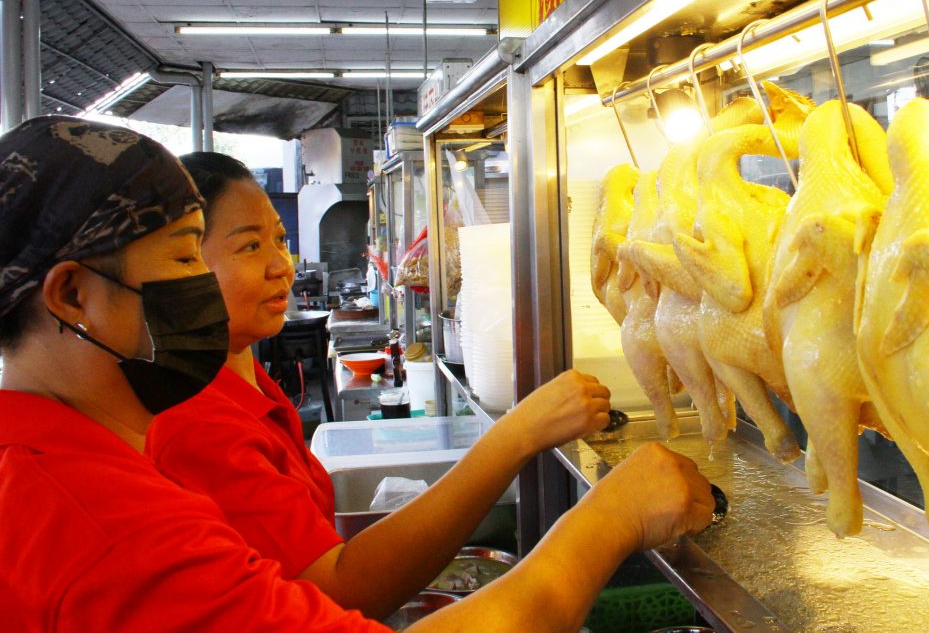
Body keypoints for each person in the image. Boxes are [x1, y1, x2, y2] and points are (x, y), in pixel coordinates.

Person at [0, 116, 714, 632]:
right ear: (72, 296)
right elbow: (333, 589)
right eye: (187, 257)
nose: (280, 265)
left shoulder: (62, 462)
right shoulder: (100, 525)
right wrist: (609, 518)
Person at [147, 151, 643, 618]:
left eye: (280, 239)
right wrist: (519, 436)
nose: (282, 265)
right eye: (250, 245)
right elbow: (339, 592)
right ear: (181, 266)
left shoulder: (247, 378)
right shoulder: (197, 422)